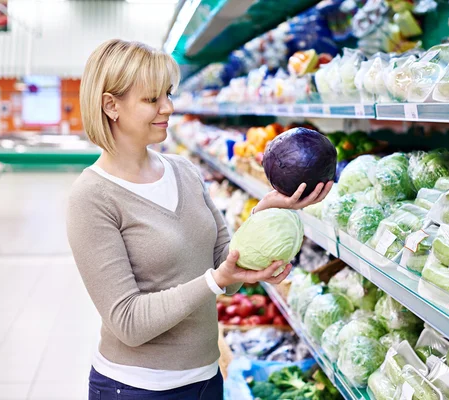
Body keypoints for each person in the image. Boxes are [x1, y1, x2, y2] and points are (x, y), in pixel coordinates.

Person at [67, 39, 333, 400]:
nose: (168, 108)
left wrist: (266, 216)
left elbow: (229, 271)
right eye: (152, 99)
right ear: (111, 105)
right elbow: (127, 322)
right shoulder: (93, 197)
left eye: (168, 94)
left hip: (207, 379)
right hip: (137, 388)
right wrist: (214, 280)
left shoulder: (184, 172)